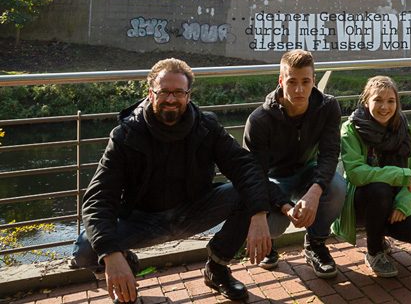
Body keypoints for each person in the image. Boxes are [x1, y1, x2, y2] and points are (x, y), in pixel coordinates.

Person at [73, 58, 271, 303]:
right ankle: (125, 267)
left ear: (188, 95)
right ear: (150, 93)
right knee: (85, 250)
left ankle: (217, 269)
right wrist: (111, 254)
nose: (170, 99)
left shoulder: (206, 127)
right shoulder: (126, 135)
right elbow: (98, 198)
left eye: (178, 92)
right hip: (142, 220)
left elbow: (244, 166)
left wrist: (259, 213)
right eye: (164, 91)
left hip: (193, 211)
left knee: (252, 193)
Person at [243, 49, 346, 278]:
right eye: (292, 82)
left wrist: (315, 191)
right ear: (281, 81)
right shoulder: (259, 120)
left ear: (314, 81)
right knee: (271, 222)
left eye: (305, 81)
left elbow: (330, 153)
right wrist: (285, 206)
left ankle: (315, 244)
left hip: (308, 172)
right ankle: (269, 244)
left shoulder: (328, 107)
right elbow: (254, 174)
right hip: (274, 178)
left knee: (337, 187)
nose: (299, 89)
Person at [334, 76, 411, 278]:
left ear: (397, 103)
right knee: (379, 189)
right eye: (378, 100)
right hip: (362, 200)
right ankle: (374, 251)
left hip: (394, 198)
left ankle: (378, 233)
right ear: (366, 101)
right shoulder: (351, 130)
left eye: (391, 101)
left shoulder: (406, 133)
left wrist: (403, 204)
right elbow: (357, 174)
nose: (384, 107)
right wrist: (401, 175)